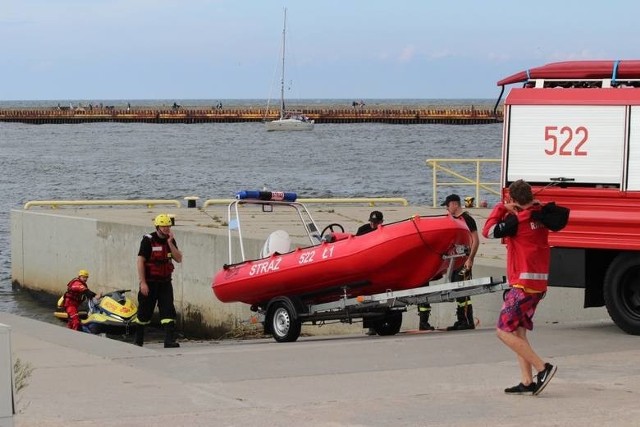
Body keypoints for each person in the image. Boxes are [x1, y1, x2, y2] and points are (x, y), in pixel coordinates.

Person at [482, 179, 557, 396]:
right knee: (518, 330)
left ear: (513, 200)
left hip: (522, 285)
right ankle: (527, 382)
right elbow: (534, 210)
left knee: (502, 331)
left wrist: (500, 208)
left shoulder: (518, 221)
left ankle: (543, 368)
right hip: (537, 284)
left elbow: (489, 231)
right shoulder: (539, 215)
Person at [417, 194, 479, 331]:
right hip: (455, 261)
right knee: (457, 290)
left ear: (454, 204)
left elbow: (475, 240)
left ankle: (467, 321)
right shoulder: (453, 220)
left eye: (447, 205)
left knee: (463, 291)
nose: (447, 208)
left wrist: (470, 259)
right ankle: (462, 320)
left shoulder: (467, 219)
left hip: (464, 261)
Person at [135, 213, 183, 348]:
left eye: (168, 226)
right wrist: (143, 282)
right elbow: (140, 262)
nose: (167, 228)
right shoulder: (148, 240)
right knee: (144, 312)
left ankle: (169, 341)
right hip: (150, 282)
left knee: (168, 311)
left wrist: (170, 243)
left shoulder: (170, 240)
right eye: (164, 226)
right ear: (157, 227)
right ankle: (138, 341)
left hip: (165, 282)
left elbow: (179, 258)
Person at [356, 210, 384, 335]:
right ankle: (371, 327)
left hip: (378, 267)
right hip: (365, 267)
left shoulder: (384, 231)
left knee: (379, 300)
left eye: (376, 223)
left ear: (381, 222)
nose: (373, 225)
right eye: (372, 222)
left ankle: (379, 326)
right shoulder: (362, 230)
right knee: (367, 299)